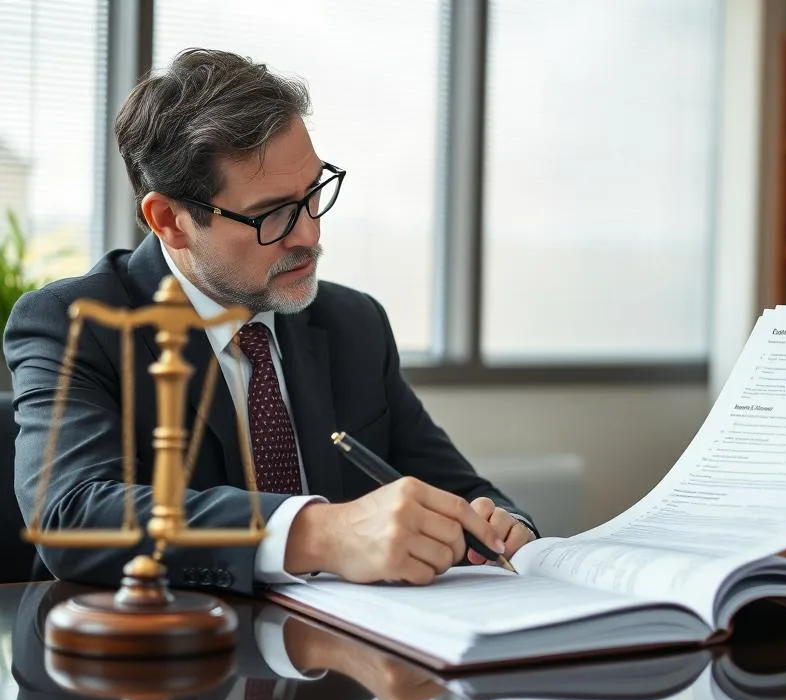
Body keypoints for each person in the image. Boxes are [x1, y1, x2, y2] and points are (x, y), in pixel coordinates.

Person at [5, 48, 537, 594]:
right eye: (273, 214)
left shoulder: (356, 324)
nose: (309, 235)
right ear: (170, 221)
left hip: (338, 658)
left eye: (313, 194)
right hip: (157, 661)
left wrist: (503, 525)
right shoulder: (78, 323)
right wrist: (319, 532)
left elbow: (461, 489)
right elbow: (72, 514)